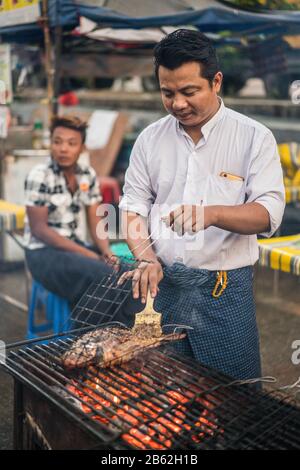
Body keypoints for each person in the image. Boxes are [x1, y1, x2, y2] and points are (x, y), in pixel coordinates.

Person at [118, 29, 285, 381]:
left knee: (234, 397)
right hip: (164, 287)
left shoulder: (253, 137)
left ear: (216, 82)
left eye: (189, 91)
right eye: (168, 93)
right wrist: (145, 257)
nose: (178, 103)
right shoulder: (150, 139)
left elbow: (268, 213)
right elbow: (133, 205)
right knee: (166, 392)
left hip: (225, 289)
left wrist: (212, 215)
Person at [24, 115, 115, 308]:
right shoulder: (40, 175)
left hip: (74, 248)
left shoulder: (87, 174)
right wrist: (88, 254)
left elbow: (95, 218)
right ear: (51, 144)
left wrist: (106, 251)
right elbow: (39, 230)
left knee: (122, 271)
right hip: (42, 253)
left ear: (82, 148)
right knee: (101, 274)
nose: (63, 148)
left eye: (72, 143)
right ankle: (85, 333)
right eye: (57, 142)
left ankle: (103, 331)